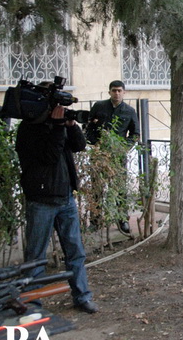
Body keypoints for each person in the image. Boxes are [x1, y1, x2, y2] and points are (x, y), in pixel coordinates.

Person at [15, 87, 98, 314]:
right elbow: (51, 155)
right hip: (41, 200)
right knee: (36, 255)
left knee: (75, 252)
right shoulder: (29, 129)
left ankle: (82, 296)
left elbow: (79, 146)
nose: (59, 111)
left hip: (65, 198)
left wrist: (70, 126)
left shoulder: (58, 127)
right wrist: (58, 128)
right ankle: (32, 303)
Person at [85, 80, 140, 235]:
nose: (117, 93)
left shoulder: (129, 111)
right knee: (97, 188)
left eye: (119, 91)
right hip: (99, 155)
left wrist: (122, 148)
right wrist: (94, 145)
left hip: (117, 156)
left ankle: (122, 219)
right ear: (109, 92)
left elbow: (135, 134)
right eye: (114, 90)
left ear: (124, 92)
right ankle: (95, 221)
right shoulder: (99, 106)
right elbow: (88, 127)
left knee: (119, 188)